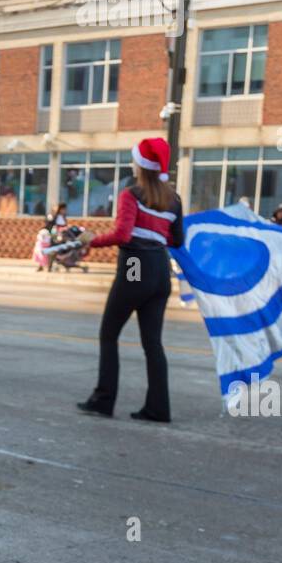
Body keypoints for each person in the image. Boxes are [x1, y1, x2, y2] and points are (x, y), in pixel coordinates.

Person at [77, 136, 183, 423]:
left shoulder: (131, 194)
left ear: (142, 164)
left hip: (135, 265)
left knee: (109, 334)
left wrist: (91, 240)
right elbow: (178, 240)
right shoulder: (174, 199)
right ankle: (158, 408)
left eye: (135, 159)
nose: (132, 163)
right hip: (161, 270)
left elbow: (123, 235)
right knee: (153, 343)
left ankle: (103, 400)